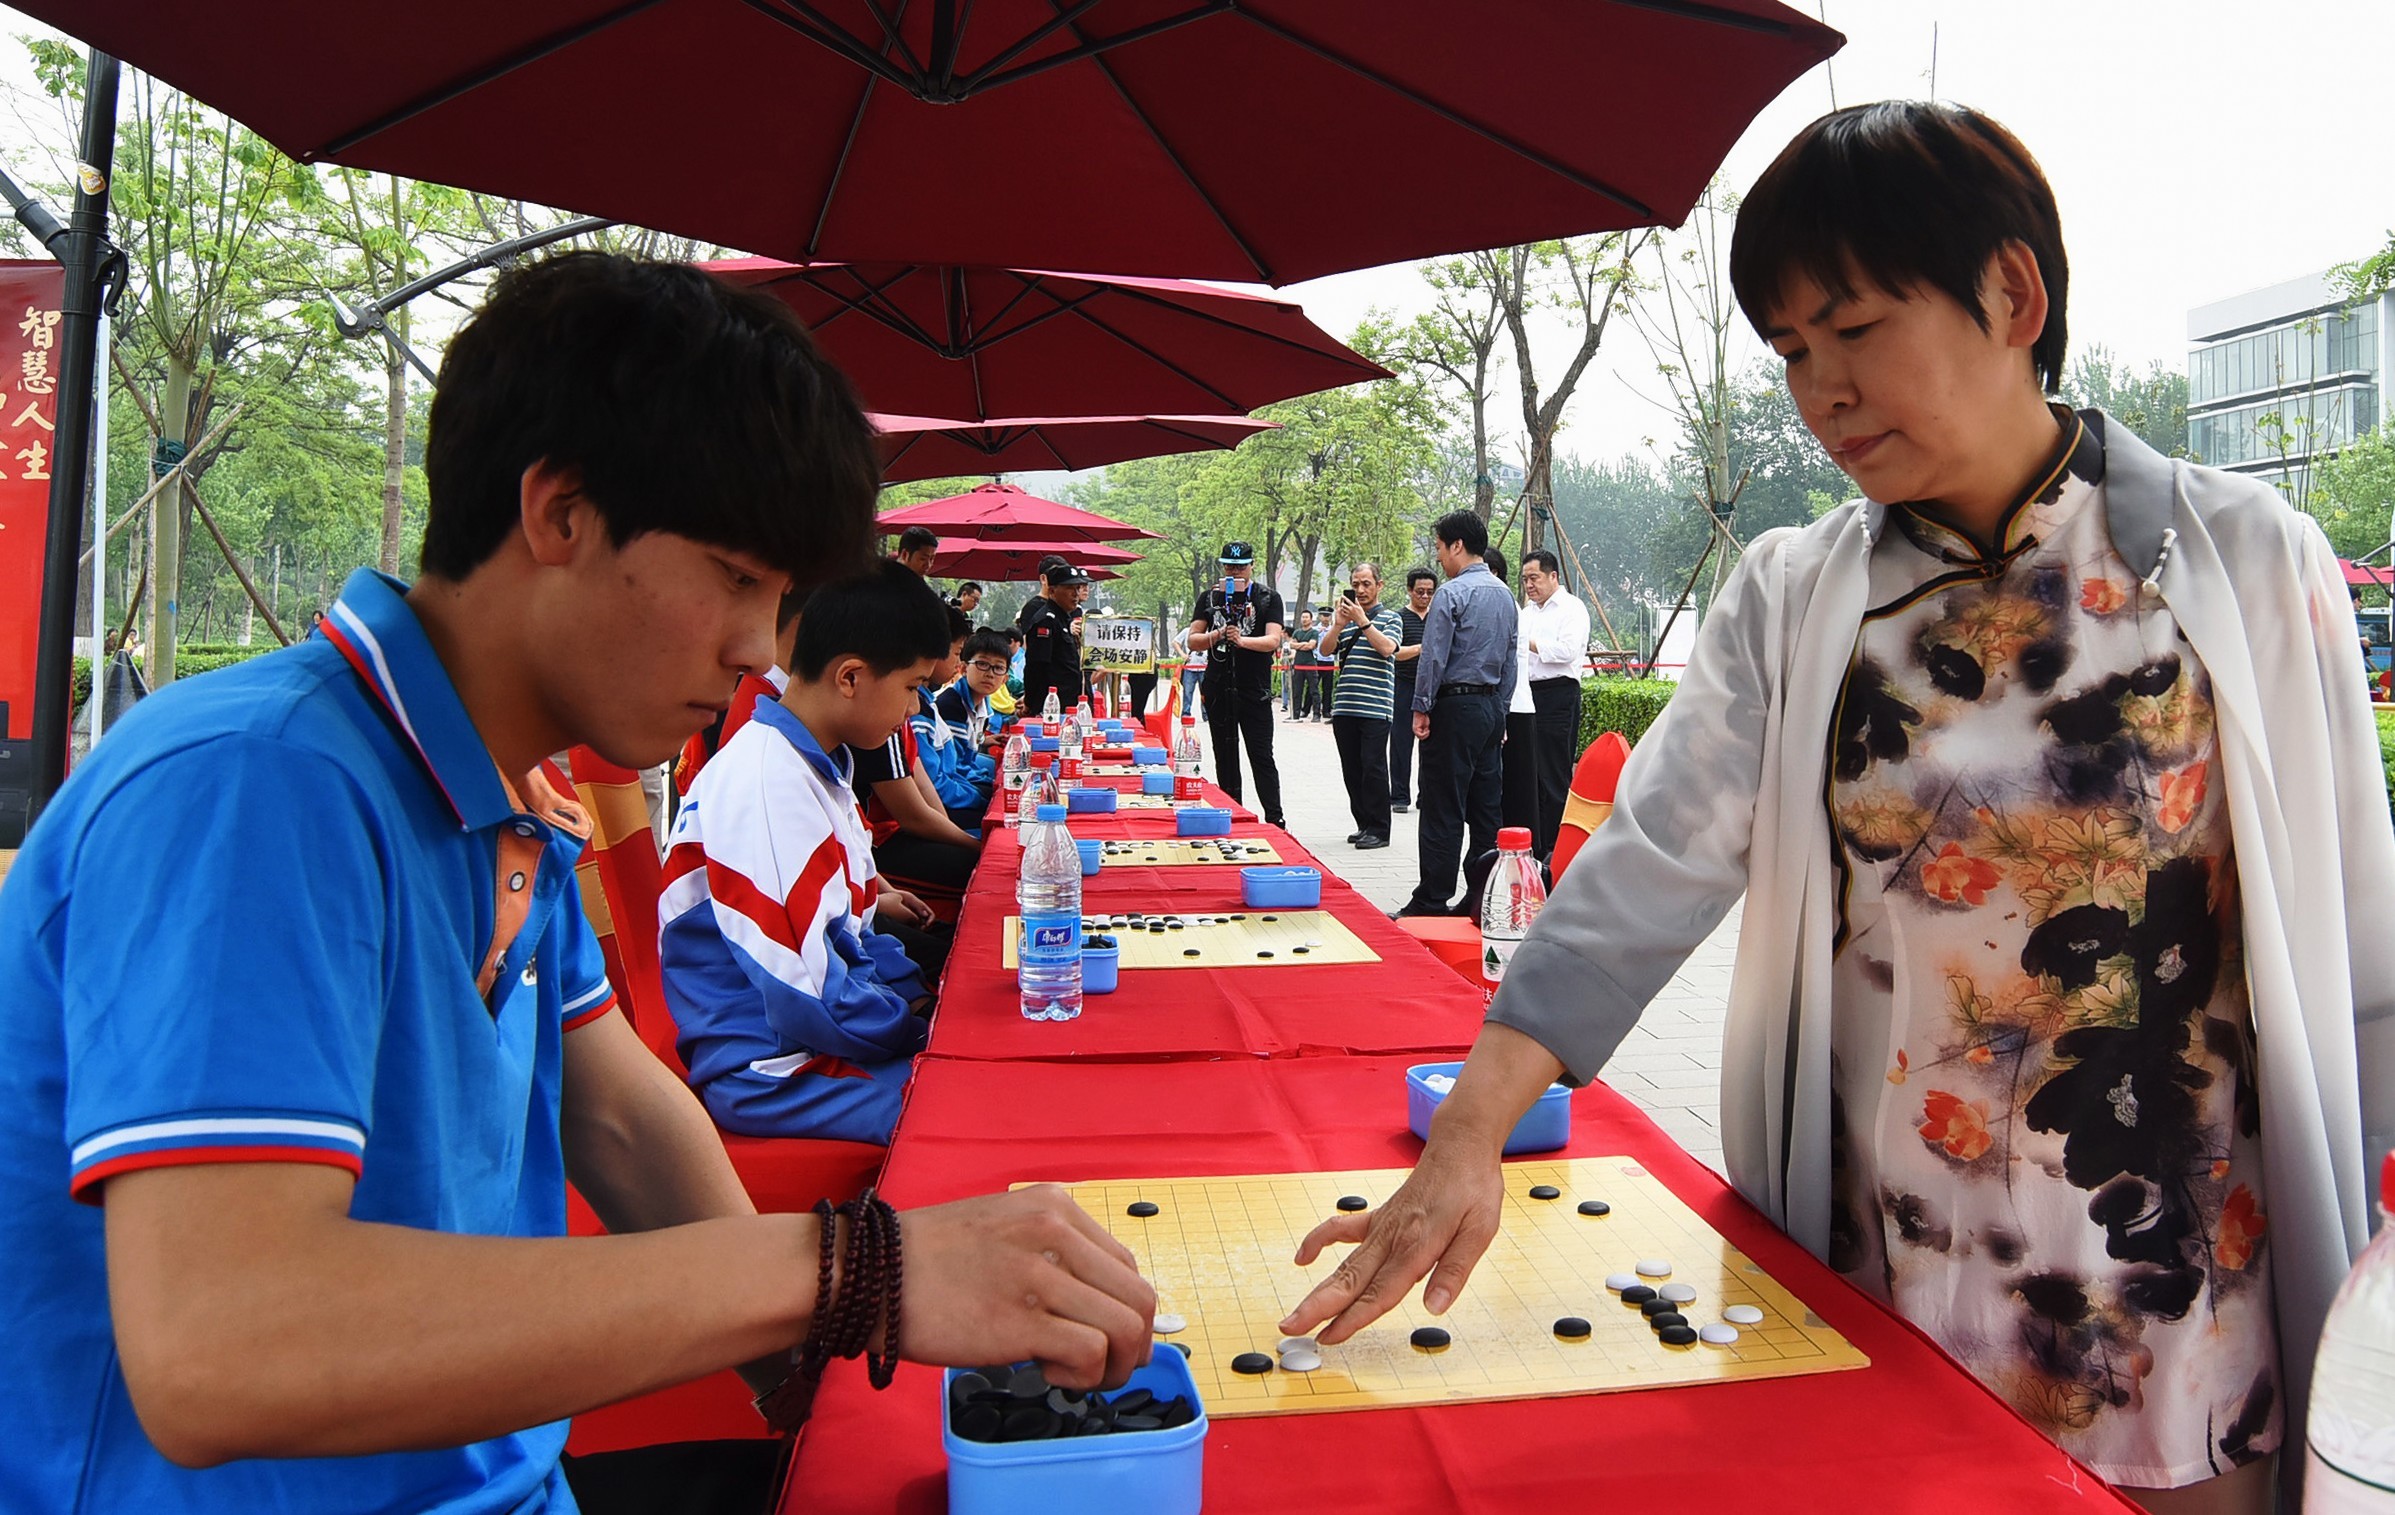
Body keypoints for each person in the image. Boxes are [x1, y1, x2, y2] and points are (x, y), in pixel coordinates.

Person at [1280, 103, 2394, 1515]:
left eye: (1854, 329)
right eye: (1792, 351)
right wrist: (1466, 1136)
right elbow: (1645, 867)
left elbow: (2360, 948)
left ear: (2011, 295)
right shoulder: (1798, 595)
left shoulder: (2235, 562)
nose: (1819, 391)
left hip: (2173, 1312)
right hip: (1885, 1281)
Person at [0, 251, 1154, 1513]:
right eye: (736, 579)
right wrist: (853, 1273)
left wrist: (811, 1370)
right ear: (561, 514)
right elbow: (228, 1347)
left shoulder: (500, 799)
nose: (760, 651)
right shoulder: (254, 784)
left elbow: (619, 1115)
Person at [660, 565, 945, 1145]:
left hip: (821, 1031)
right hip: (776, 1069)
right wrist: (919, 1030)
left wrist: (919, 997)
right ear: (850, 677)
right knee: (969, 1112)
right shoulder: (769, 782)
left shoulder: (819, 764)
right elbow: (806, 993)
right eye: (913, 686)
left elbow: (855, 927)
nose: (913, 708)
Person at [1399, 514, 1516, 917]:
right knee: (1486, 809)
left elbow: (1434, 657)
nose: (1439, 556)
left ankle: (1432, 898)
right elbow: (1511, 659)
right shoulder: (1505, 595)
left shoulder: (1450, 594)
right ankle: (1479, 897)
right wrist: (1499, 710)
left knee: (1442, 805)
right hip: (1489, 708)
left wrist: (1421, 707)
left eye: (1439, 547)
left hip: (1453, 705)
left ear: (1456, 546)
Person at [1186, 540, 1287, 826]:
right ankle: (1232, 814)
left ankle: (1275, 818)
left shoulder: (1268, 597)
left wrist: (1241, 640)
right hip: (1218, 686)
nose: (1235, 572)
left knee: (1261, 755)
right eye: (1230, 566)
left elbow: (1272, 639)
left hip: (1254, 688)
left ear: (1251, 565)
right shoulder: (1209, 598)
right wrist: (1216, 635)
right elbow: (1193, 639)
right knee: (1225, 755)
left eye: (1241, 566)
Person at [1318, 564, 1403, 849]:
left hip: (1376, 708)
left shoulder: (1391, 618)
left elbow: (1387, 648)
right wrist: (1340, 624)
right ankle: (1363, 823)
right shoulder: (1346, 620)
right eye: (1356, 584)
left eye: (1366, 584)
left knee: (1373, 767)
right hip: (1345, 706)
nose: (1361, 590)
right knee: (1352, 769)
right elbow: (1325, 651)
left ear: (1380, 585)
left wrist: (1363, 621)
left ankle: (1380, 829)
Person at [1518, 548, 1591, 860]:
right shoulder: (1527, 612)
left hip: (1558, 694)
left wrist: (1527, 642)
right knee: (1529, 773)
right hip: (1527, 694)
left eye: (1534, 578)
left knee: (1553, 773)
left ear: (1553, 576)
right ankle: (1533, 844)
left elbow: (1567, 651)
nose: (1529, 585)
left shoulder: (1572, 609)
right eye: (1524, 580)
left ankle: (1556, 849)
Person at [1488, 545, 1542, 840]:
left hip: (1513, 709)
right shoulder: (1508, 607)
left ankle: (1522, 858)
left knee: (1518, 795)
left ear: (1494, 573)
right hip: (1505, 707)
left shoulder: (1506, 608)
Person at [1388, 567, 1434, 812]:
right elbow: (1392, 652)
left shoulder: (1438, 616)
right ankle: (1399, 796)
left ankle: (1426, 796)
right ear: (1409, 590)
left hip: (1431, 687)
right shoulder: (1398, 618)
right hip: (1403, 685)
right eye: (1420, 592)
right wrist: (1420, 648)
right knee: (1400, 742)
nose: (1424, 597)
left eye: (1429, 592)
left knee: (1431, 744)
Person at [1019, 562, 1091, 718]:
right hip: (1052, 707)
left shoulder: (1063, 619)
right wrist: (1031, 703)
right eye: (1069, 588)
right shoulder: (1046, 621)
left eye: (1077, 588)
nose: (1075, 594)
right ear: (1052, 590)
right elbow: (1036, 666)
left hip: (1069, 704)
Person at [937, 627, 1012, 755]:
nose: (990, 674)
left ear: (1005, 679)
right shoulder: (951, 706)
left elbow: (971, 736)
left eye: (998, 667)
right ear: (964, 669)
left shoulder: (983, 704)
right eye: (982, 664)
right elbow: (957, 763)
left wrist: (983, 740)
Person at [1289, 610, 1322, 719]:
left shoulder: (1314, 632)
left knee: (1314, 690)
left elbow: (1311, 646)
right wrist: (1303, 643)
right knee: (1296, 690)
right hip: (1298, 664)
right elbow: (1292, 645)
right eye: (1303, 617)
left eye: (1306, 617)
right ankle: (1295, 714)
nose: (1304, 619)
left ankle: (1316, 714)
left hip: (1310, 663)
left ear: (1311, 619)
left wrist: (1299, 644)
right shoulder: (1297, 632)